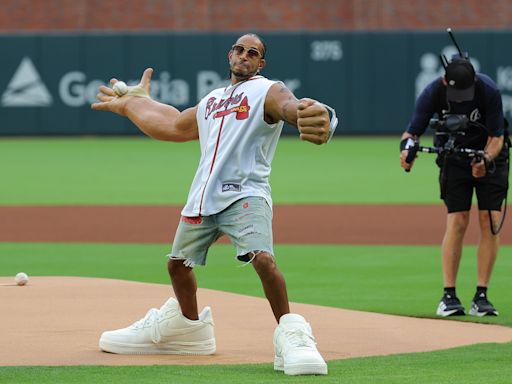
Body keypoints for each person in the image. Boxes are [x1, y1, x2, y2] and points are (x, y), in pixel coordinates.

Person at [91, 33, 338, 376]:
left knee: (263, 259)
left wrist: (315, 114)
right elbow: (171, 123)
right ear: (230, 55)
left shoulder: (267, 90)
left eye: (253, 52)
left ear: (260, 63)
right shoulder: (211, 100)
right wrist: (133, 103)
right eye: (240, 49)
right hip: (203, 197)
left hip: (246, 194)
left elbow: (290, 107)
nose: (245, 55)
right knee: (177, 265)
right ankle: (189, 328)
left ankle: (292, 333)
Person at [400, 55, 508, 317]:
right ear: (445, 81)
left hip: (491, 157)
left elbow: (497, 137)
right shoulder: (433, 92)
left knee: (490, 221)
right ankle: (449, 295)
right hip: (454, 160)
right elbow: (411, 133)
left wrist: (485, 158)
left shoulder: (489, 90)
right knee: (457, 221)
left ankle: (481, 296)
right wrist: (406, 152)